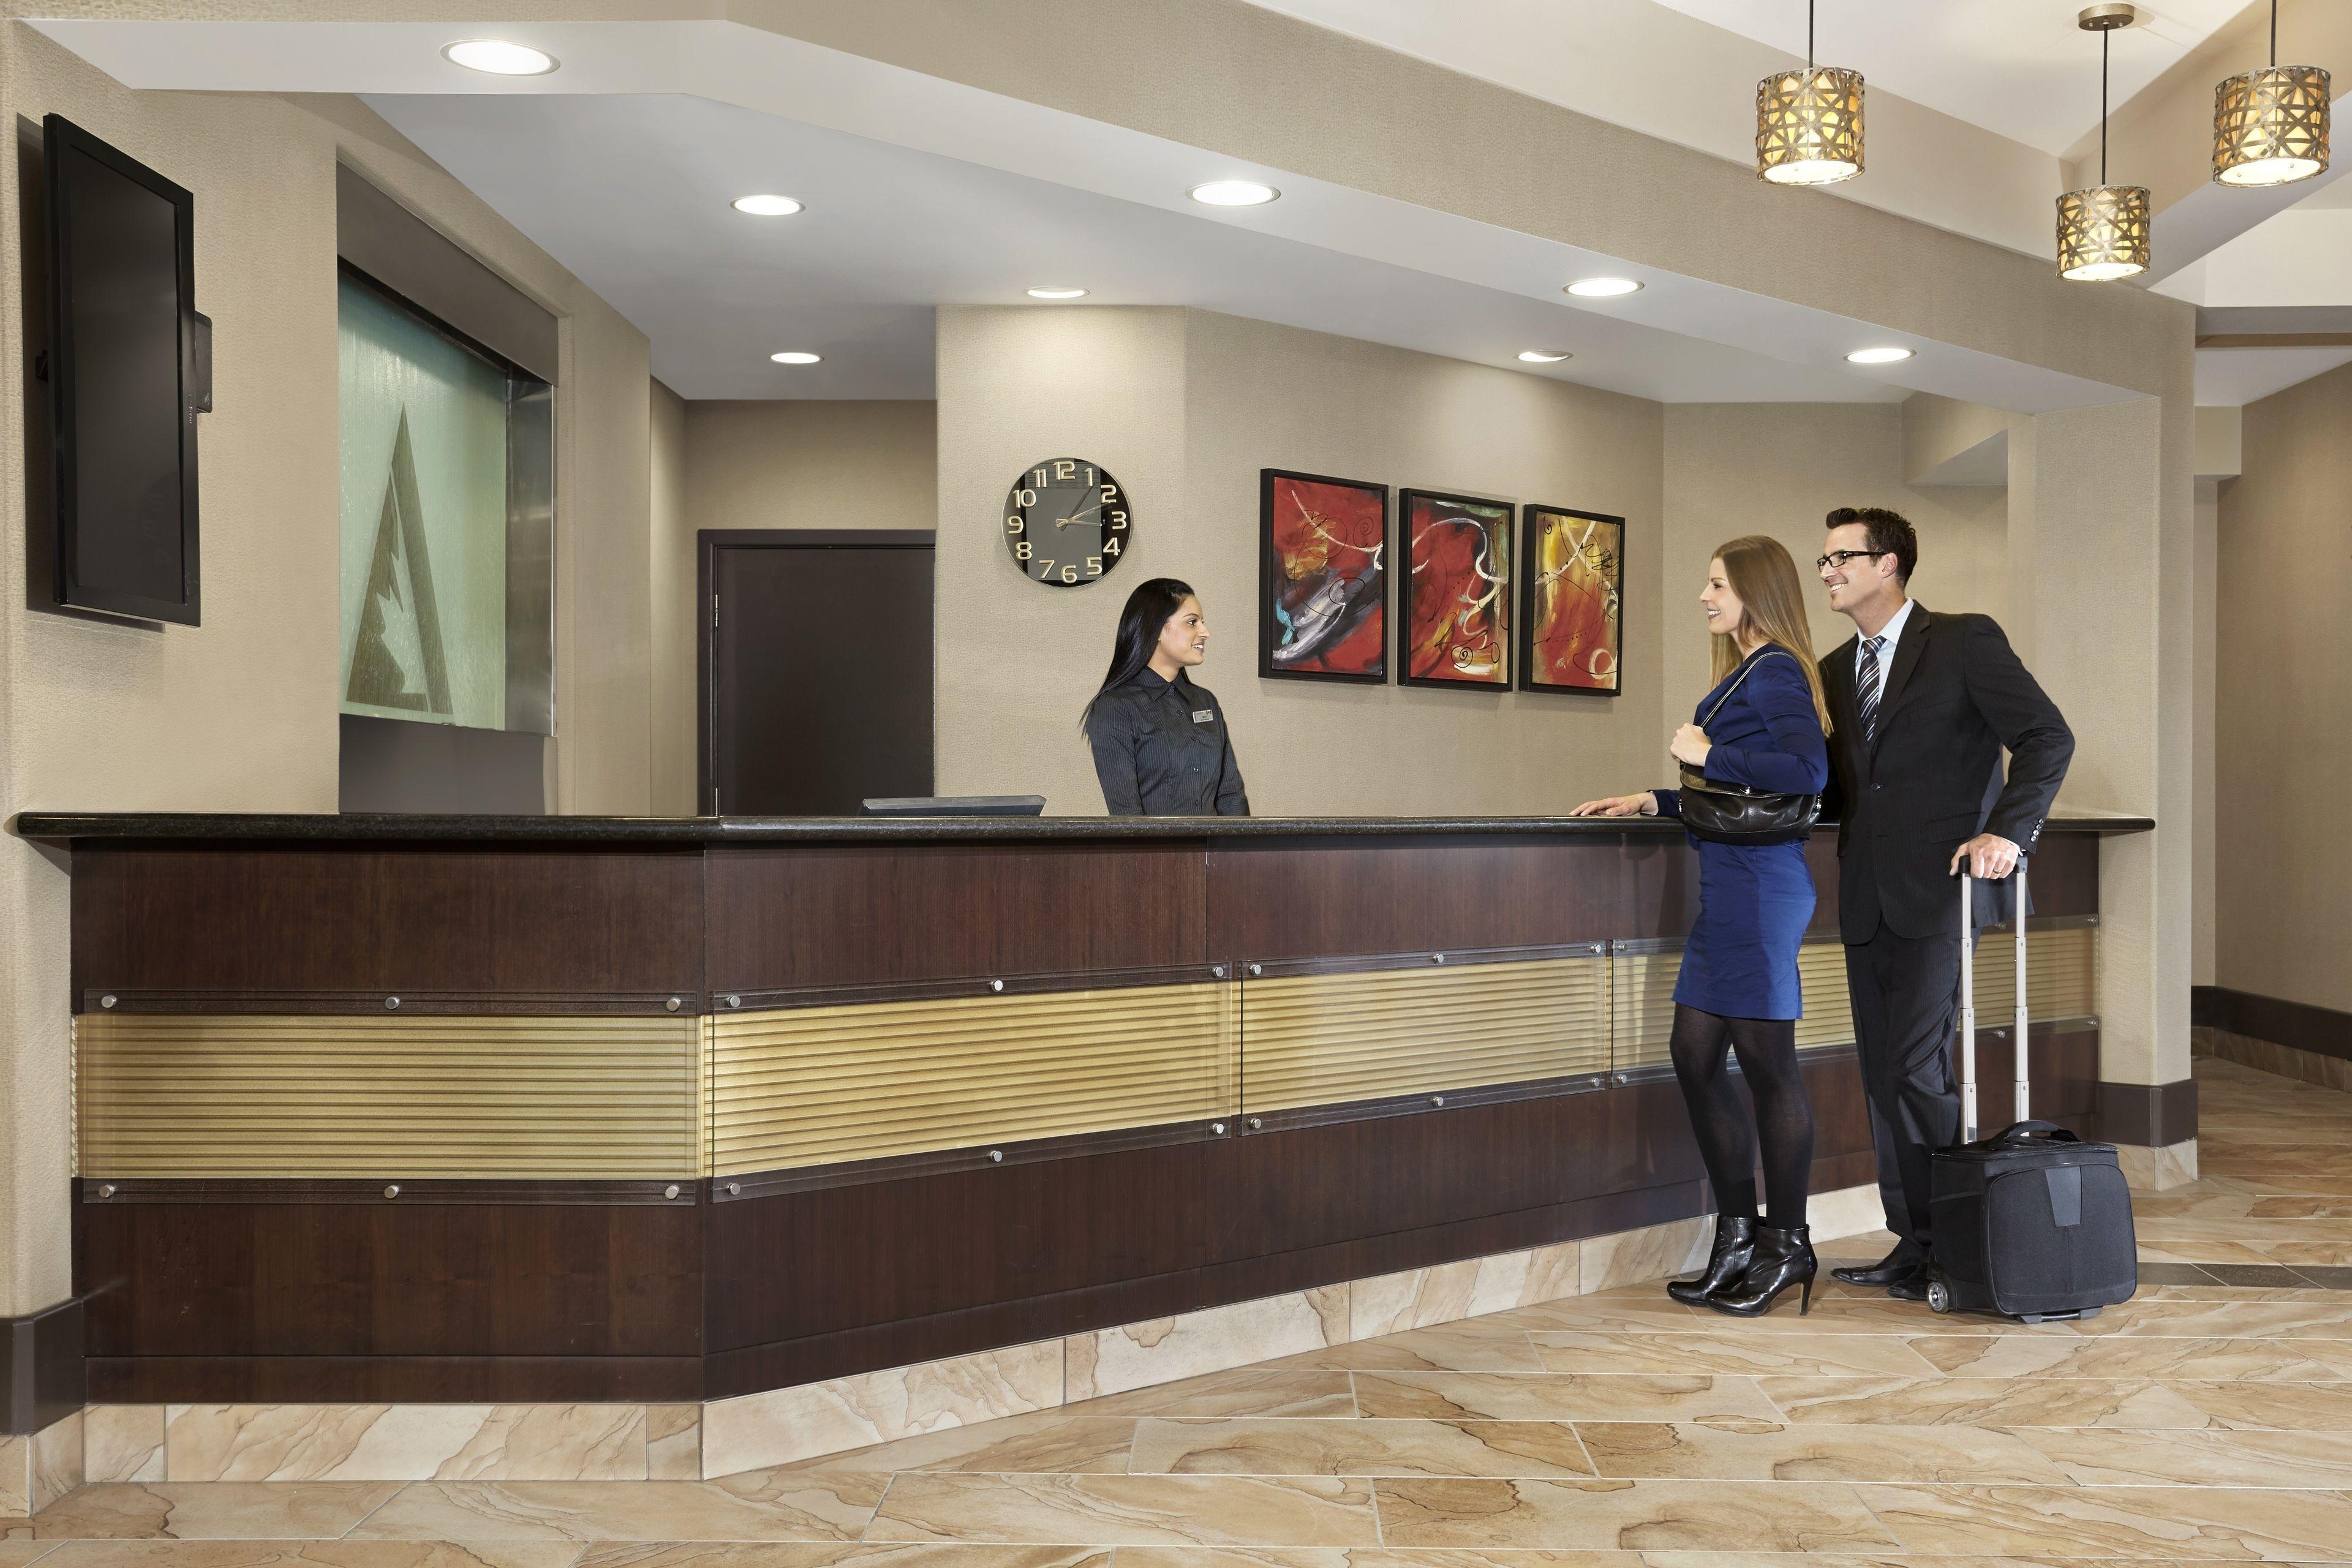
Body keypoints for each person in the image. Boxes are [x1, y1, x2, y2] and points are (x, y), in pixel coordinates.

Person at [1814, 507, 2073, 1302]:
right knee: (1882, 1076)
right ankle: (1914, 1239)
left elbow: (2047, 737)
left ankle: (1949, 1241)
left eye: (1841, 558)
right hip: (1867, 897)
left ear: (1888, 563)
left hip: (1944, 894)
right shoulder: (1833, 669)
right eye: (1823, 561)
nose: (1827, 572)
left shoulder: (1963, 642)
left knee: (1914, 1068)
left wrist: (2008, 832)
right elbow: (1835, 789)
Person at [1574, 537, 1832, 1317]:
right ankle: (1738, 1235)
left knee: (1768, 1067)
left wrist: (1709, 751)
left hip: (1759, 889)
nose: (1704, 596)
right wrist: (1656, 798)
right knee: (1693, 1054)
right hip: (1728, 888)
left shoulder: (1777, 668)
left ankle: (1788, 1244)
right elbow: (1739, 797)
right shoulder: (1748, 671)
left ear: (1756, 590)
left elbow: (1807, 772)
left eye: (1717, 583)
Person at [1083, 578, 1250, 816]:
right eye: (1192, 622)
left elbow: (1231, 796)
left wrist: (1241, 841)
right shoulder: (1115, 707)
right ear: (1157, 629)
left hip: (1213, 842)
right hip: (1154, 843)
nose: (1205, 632)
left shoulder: (1206, 702)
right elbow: (1127, 817)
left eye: (1202, 623)